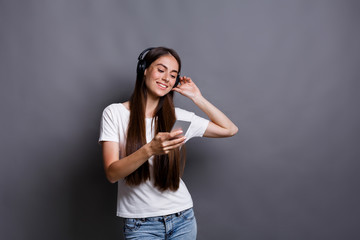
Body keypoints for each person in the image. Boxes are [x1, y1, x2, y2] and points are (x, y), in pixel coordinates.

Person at [99, 47, 238, 239]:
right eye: (161, 70)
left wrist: (197, 97)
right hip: (141, 224)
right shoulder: (115, 113)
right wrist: (149, 150)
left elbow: (229, 129)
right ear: (144, 70)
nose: (166, 78)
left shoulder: (178, 118)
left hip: (183, 218)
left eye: (173, 75)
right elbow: (112, 173)